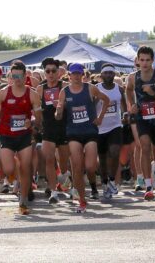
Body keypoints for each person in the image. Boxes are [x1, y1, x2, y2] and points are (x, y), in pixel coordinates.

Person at [0, 60, 42, 215]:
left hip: (24, 136)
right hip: (6, 134)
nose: (17, 78)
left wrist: (31, 122)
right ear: (10, 76)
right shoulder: (4, 92)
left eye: (19, 75)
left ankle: (23, 199)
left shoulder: (32, 93)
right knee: (8, 168)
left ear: (25, 75)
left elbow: (39, 117)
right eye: (14, 76)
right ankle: (18, 181)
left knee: (26, 168)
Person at [55, 63, 109, 213]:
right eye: (74, 74)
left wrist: (100, 117)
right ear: (69, 75)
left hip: (90, 131)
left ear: (82, 74)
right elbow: (58, 115)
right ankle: (82, 201)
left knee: (91, 166)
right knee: (77, 168)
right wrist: (58, 111)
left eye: (79, 73)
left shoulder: (90, 88)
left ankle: (86, 187)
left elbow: (106, 100)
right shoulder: (64, 92)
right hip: (73, 133)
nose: (77, 76)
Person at [126, 45, 155, 200]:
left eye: (147, 60)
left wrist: (154, 93)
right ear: (138, 61)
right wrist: (131, 105)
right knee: (145, 146)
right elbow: (128, 89)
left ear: (153, 60)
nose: (144, 63)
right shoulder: (133, 77)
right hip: (142, 118)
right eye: (142, 60)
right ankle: (148, 186)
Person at [36, 57, 69, 204]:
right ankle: (53, 192)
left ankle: (65, 176)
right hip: (48, 128)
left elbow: (74, 105)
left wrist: (63, 105)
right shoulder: (40, 88)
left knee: (63, 165)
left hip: (64, 127)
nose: (50, 74)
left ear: (59, 72)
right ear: (44, 73)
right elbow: (36, 109)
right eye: (47, 71)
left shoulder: (65, 86)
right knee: (49, 159)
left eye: (53, 71)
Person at [96, 63, 126, 199]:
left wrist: (125, 115)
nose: (108, 75)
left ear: (114, 75)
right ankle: (104, 182)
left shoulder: (119, 89)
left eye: (110, 73)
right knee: (102, 158)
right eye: (105, 73)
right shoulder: (96, 89)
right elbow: (91, 105)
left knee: (114, 152)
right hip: (99, 128)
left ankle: (112, 179)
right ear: (101, 75)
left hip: (115, 126)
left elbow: (124, 106)